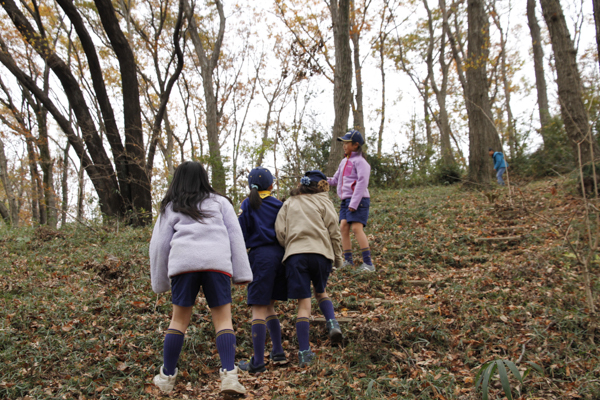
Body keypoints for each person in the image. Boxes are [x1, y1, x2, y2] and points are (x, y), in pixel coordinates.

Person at [149, 161, 252, 395]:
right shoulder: (220, 202)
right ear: (204, 179)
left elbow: (159, 246)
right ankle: (229, 377)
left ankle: (166, 378)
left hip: (183, 264)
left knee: (178, 321)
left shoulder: (172, 206)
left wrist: (160, 282)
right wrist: (242, 272)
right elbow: (235, 236)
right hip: (217, 264)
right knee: (224, 320)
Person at [275, 170, 344, 367]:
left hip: (296, 256)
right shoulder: (323, 201)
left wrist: (289, 245)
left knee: (304, 305)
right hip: (321, 254)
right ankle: (332, 323)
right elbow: (334, 231)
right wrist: (338, 258)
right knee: (321, 292)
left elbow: (280, 232)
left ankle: (304, 352)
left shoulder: (289, 203)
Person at [236, 167, 288, 374]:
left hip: (260, 258)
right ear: (271, 186)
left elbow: (239, 232)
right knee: (269, 307)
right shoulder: (280, 205)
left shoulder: (247, 204)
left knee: (258, 308)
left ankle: (258, 362)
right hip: (281, 257)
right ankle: (278, 352)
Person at [328, 129, 374, 272]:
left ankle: (368, 264)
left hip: (359, 200)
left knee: (356, 228)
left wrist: (354, 203)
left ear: (355, 145)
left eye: (347, 143)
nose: (344, 145)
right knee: (343, 227)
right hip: (345, 200)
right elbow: (335, 180)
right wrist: (319, 179)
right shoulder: (343, 162)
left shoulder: (361, 162)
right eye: (343, 143)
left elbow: (362, 182)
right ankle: (348, 261)